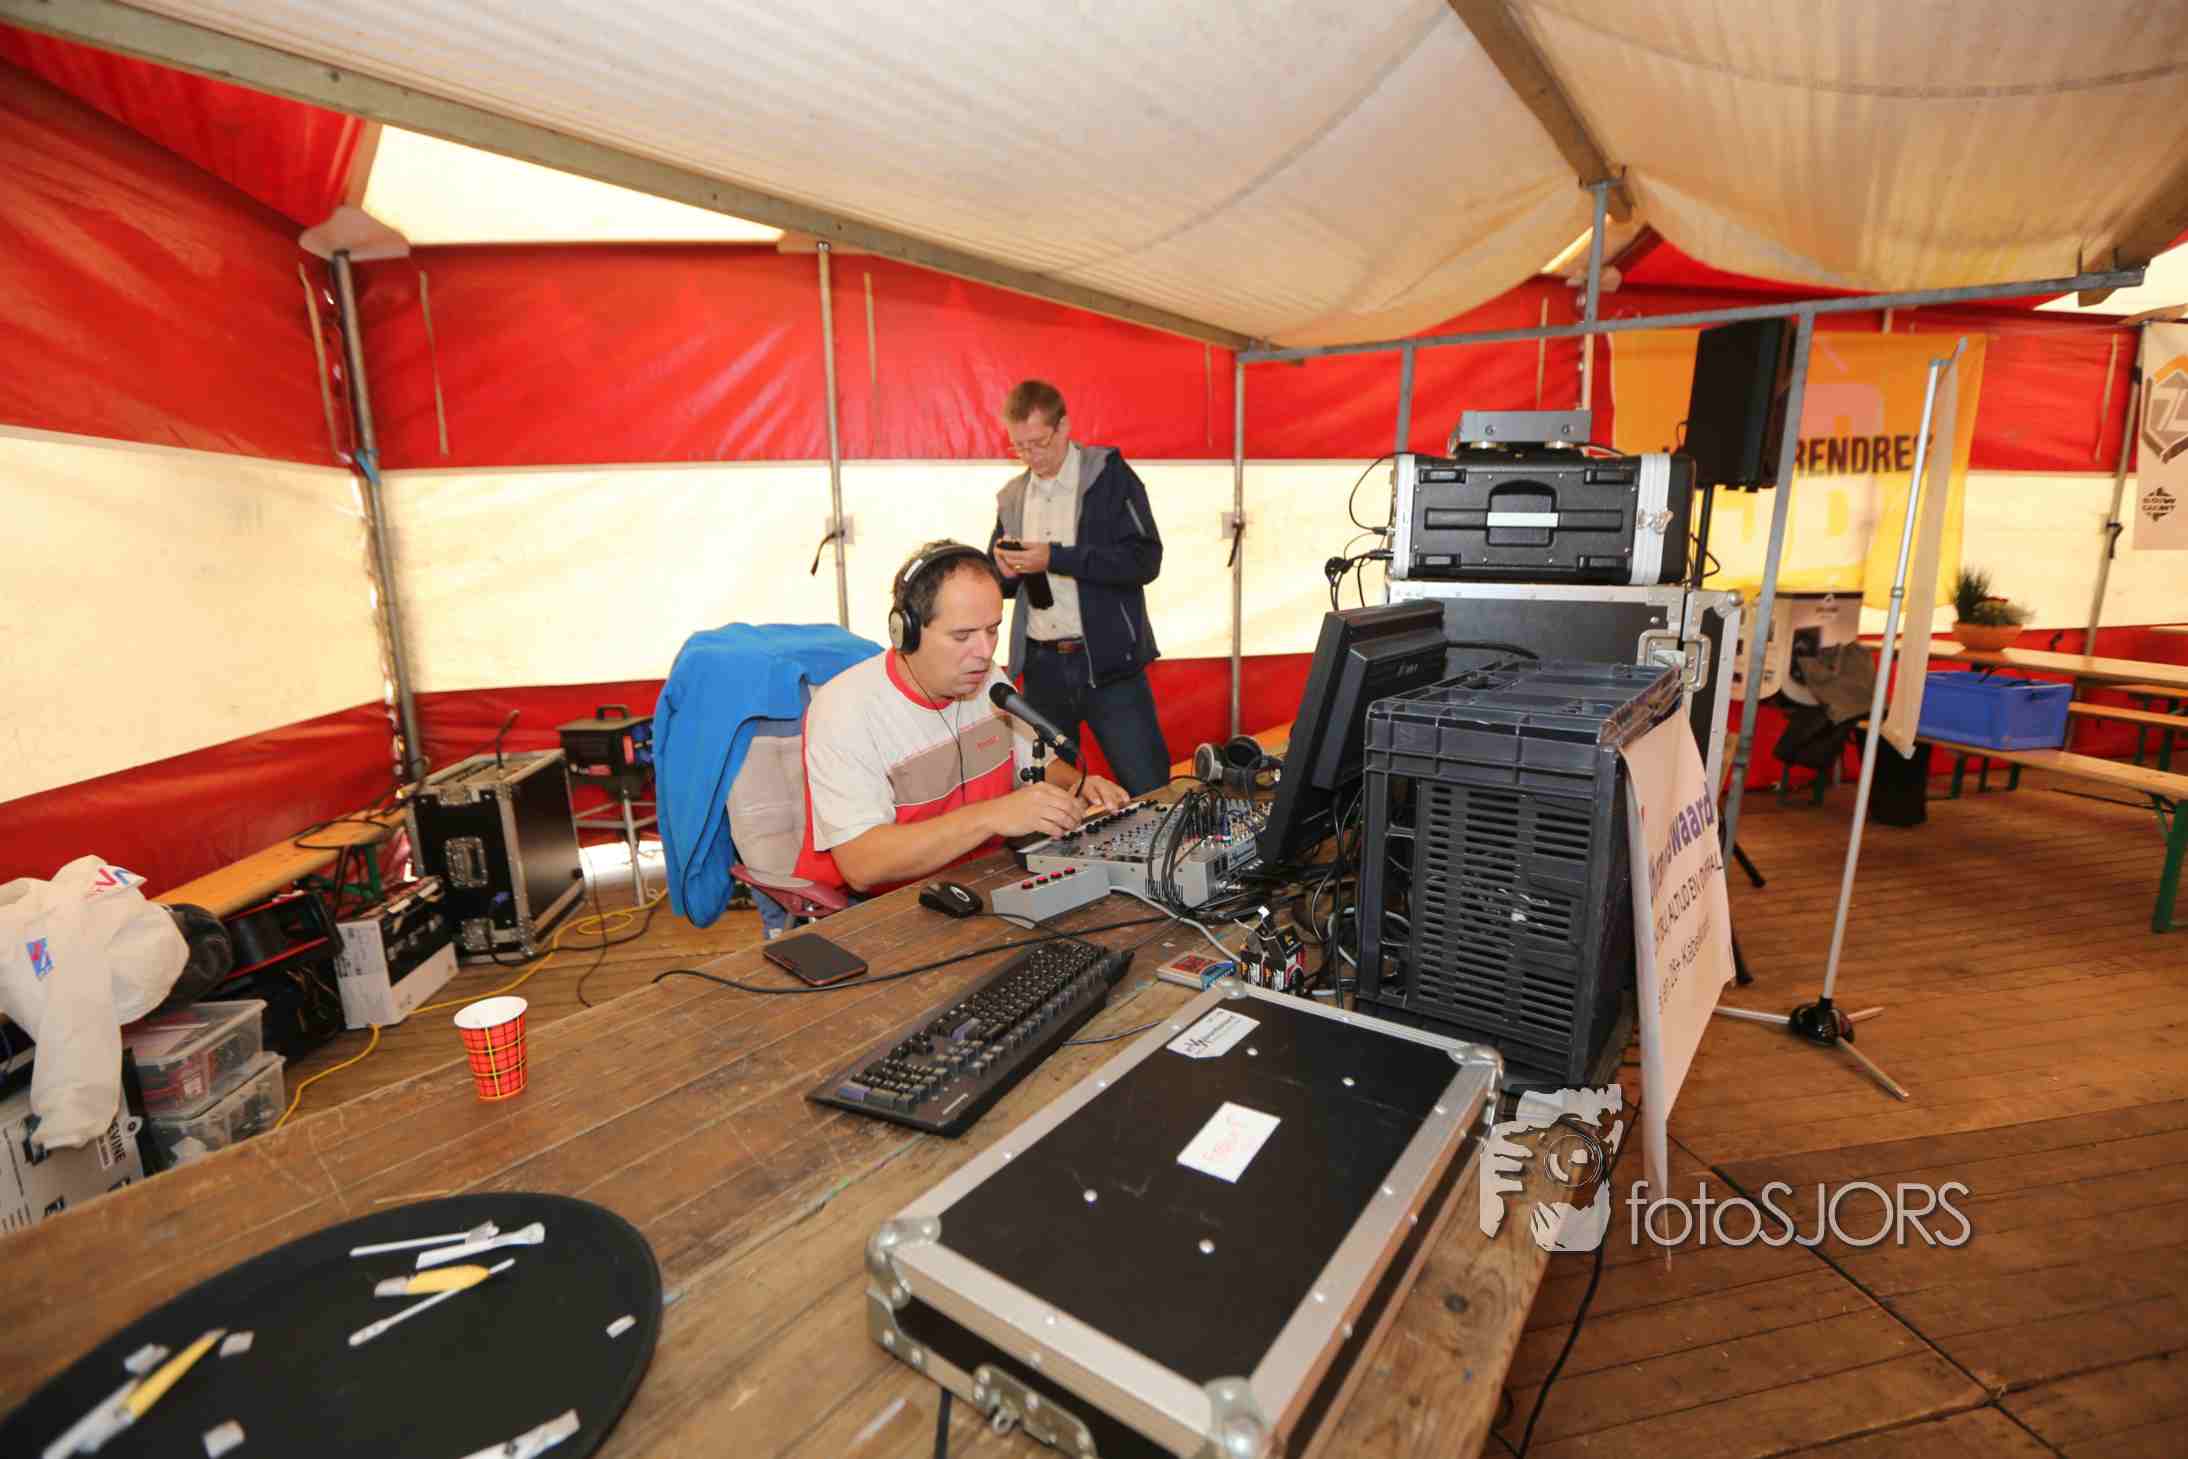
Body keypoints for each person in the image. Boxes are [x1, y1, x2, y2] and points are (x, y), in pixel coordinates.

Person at [793, 541, 1130, 895]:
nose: (985, 652)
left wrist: (1076, 785)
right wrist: (993, 815)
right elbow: (862, 865)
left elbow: (1036, 764)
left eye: (992, 630)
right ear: (906, 632)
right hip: (880, 905)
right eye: (962, 636)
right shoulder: (844, 710)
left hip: (979, 879)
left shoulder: (988, 680)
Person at [988, 380, 1173, 796]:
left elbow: (1145, 560)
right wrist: (1002, 571)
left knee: (1148, 785)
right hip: (1041, 667)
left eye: (1038, 443)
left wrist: (1055, 558)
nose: (1031, 456)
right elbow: (999, 582)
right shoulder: (1012, 495)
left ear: (1064, 426)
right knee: (1051, 793)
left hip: (1109, 664)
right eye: (1019, 447)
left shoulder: (1109, 476)